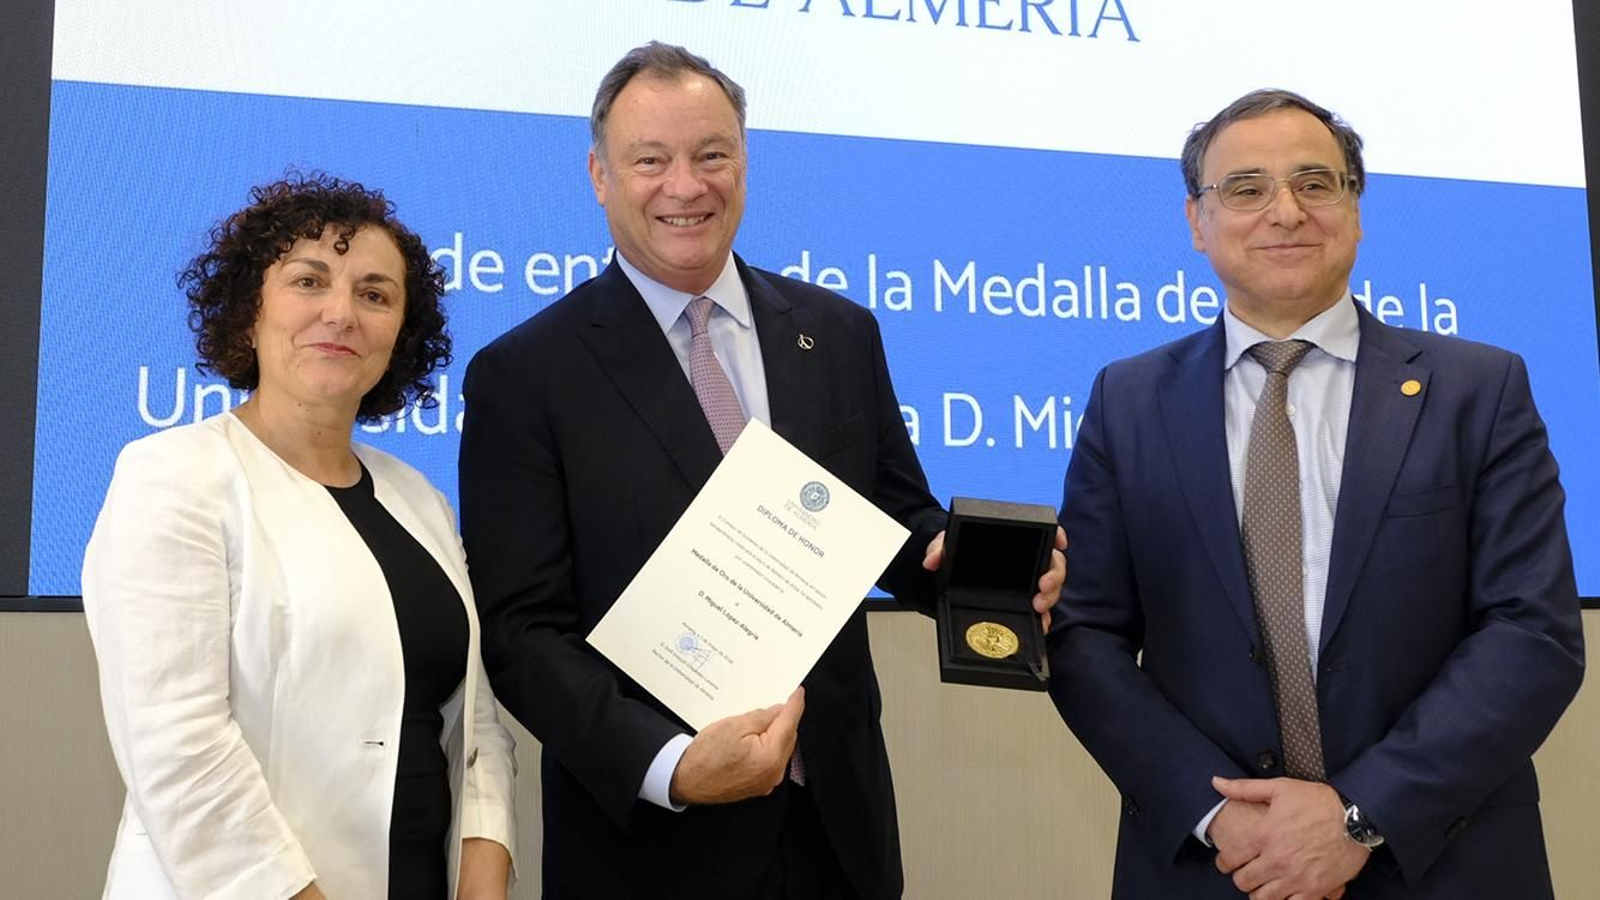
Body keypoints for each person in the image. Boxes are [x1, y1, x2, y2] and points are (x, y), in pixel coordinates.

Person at [459, 42, 1062, 899]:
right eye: (650, 160)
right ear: (599, 175)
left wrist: (974, 568)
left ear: (744, 162)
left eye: (712, 155)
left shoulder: (838, 333)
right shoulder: (525, 375)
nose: (686, 186)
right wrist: (669, 765)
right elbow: (523, 632)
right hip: (650, 853)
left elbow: (893, 521)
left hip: (838, 834)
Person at [1047, 88, 1585, 899]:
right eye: (1247, 188)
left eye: (1315, 182)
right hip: (1217, 865)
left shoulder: (1479, 389)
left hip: (1443, 860)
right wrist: (1217, 813)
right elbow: (1086, 636)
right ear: (1197, 222)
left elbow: (1530, 633)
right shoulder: (1128, 402)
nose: (1285, 211)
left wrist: (1359, 814)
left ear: (1356, 211)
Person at [82, 174, 517, 899]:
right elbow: (178, 752)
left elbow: (476, 730)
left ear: (400, 336)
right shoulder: (173, 475)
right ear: (249, 309)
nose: (341, 313)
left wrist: (484, 875)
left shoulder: (422, 502)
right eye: (309, 281)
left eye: (375, 295)